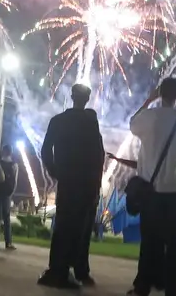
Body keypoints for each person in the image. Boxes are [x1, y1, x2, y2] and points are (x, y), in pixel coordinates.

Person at [126, 78, 176, 296]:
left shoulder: (150, 117)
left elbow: (132, 123)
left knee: (149, 243)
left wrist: (149, 99)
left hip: (152, 191)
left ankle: (142, 288)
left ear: (159, 93)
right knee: (173, 246)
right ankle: (172, 291)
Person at [38, 83, 106, 289]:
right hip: (86, 183)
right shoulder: (90, 122)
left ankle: (57, 267)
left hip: (67, 181)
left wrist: (55, 172)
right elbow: (99, 155)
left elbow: (45, 151)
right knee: (82, 229)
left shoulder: (58, 121)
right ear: (87, 99)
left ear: (71, 96)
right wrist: (96, 184)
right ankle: (79, 270)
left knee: (63, 225)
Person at [0, 144, 19, 250]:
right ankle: (8, 242)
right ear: (11, 152)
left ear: (3, 151)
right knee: (7, 218)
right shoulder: (14, 165)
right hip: (7, 193)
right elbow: (15, 181)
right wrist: (11, 193)